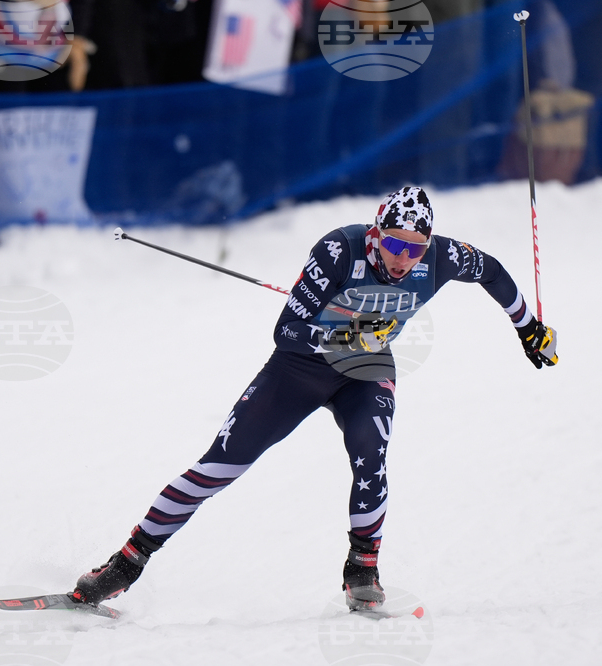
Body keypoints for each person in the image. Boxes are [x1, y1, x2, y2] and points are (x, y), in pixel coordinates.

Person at [71, 186, 558, 611]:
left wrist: (527, 328)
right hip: (300, 368)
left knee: (371, 455)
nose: (402, 258)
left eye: (414, 249)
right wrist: (351, 337)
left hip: (365, 372)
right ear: (376, 233)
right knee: (221, 465)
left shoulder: (441, 259)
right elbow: (286, 331)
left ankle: (362, 570)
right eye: (392, 243)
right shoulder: (339, 250)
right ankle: (127, 562)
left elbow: (491, 271)